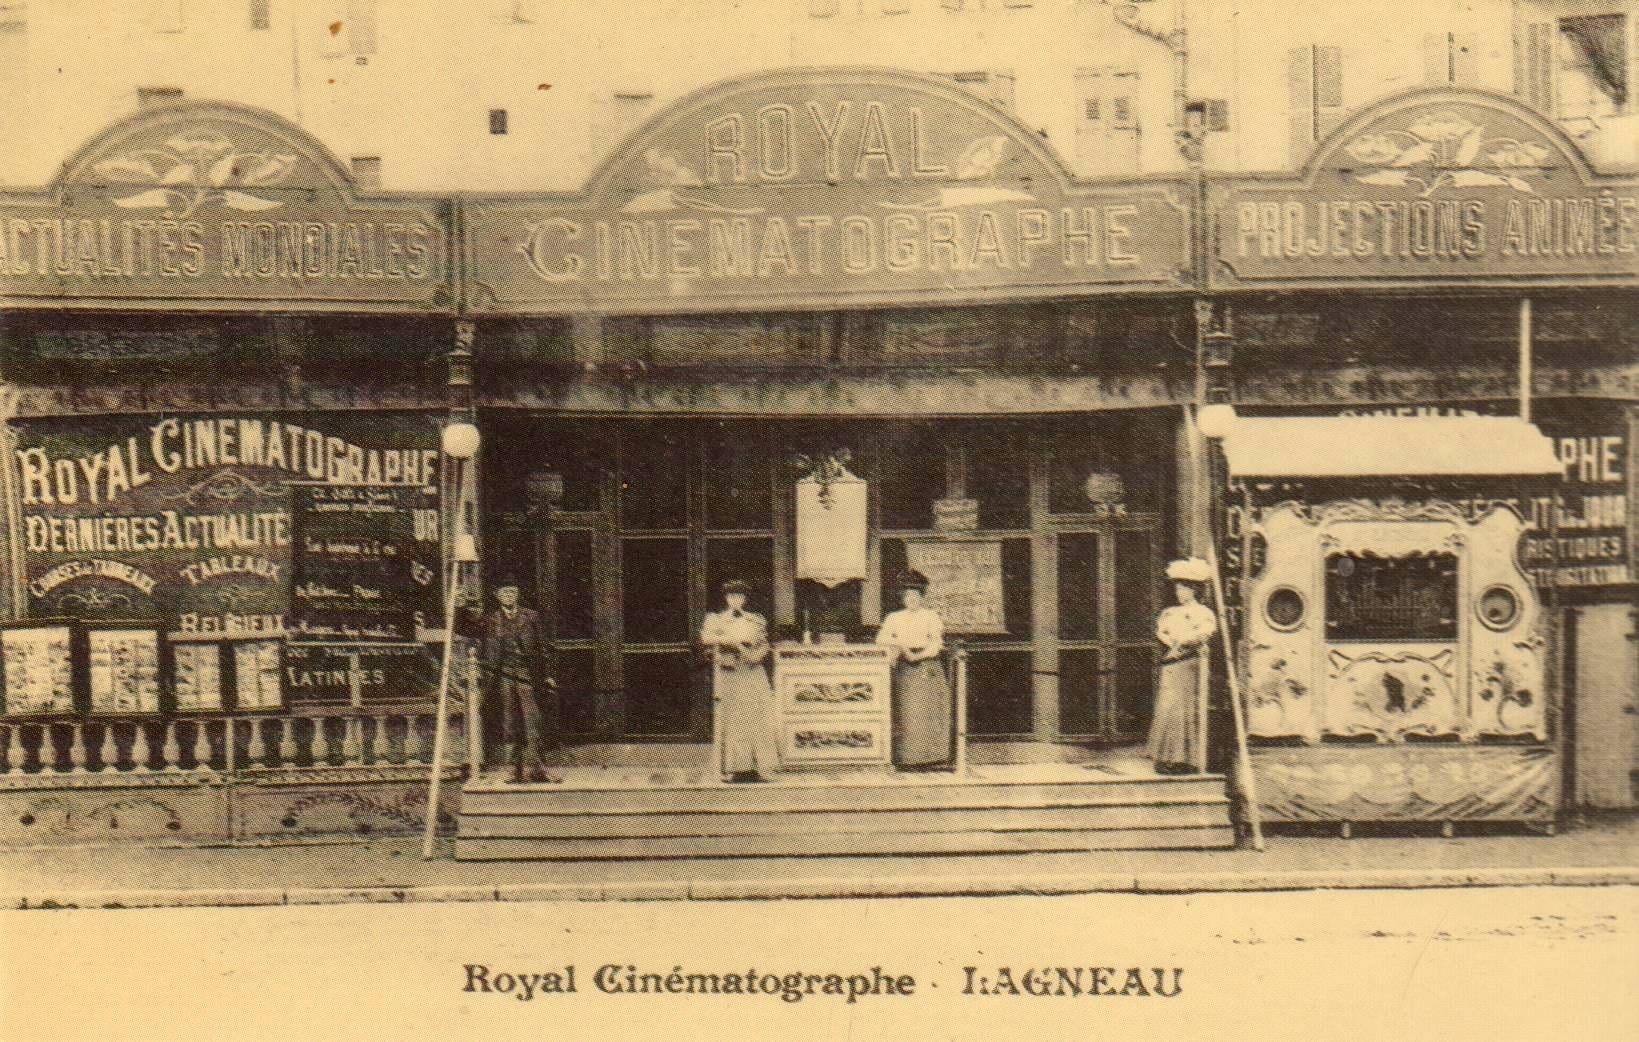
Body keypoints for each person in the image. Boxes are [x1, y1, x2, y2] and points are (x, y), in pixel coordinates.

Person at [480, 577, 557, 784]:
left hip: (526, 674)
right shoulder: (491, 620)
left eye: (512, 592)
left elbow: (543, 648)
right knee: (509, 721)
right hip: (503, 675)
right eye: (504, 593)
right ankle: (513, 769)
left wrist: (548, 674)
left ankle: (538, 769)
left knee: (533, 721)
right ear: (497, 597)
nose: (509, 596)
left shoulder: (531, 617)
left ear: (518, 594)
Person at [701, 579, 778, 782]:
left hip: (752, 672)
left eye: (740, 596)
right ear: (726, 598)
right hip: (730, 673)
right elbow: (707, 642)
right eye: (732, 596)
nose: (736, 600)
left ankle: (758, 767)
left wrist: (755, 655)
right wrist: (728, 645)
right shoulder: (715, 620)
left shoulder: (755, 620)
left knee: (756, 718)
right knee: (734, 719)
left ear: (745, 599)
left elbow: (764, 644)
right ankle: (733, 768)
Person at [877, 569, 953, 770]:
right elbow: (882, 638)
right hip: (904, 667)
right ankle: (906, 758)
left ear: (922, 597)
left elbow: (936, 643)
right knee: (907, 711)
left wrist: (918, 655)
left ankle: (931, 756)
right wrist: (902, 646)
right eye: (908, 596)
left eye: (916, 596)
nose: (912, 600)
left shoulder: (931, 616)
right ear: (903, 598)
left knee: (927, 711)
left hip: (927, 667)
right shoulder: (894, 617)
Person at [1147, 557, 1217, 775]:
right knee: (1168, 708)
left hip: (1190, 665)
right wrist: (1174, 641)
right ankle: (1165, 757)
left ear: (1194, 589)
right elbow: (1162, 632)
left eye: (1183, 589)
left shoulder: (1204, 613)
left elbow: (1204, 633)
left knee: (1185, 710)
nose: (1179, 593)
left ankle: (1185, 759)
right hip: (1172, 665)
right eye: (1177, 588)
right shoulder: (1170, 613)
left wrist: (1183, 640)